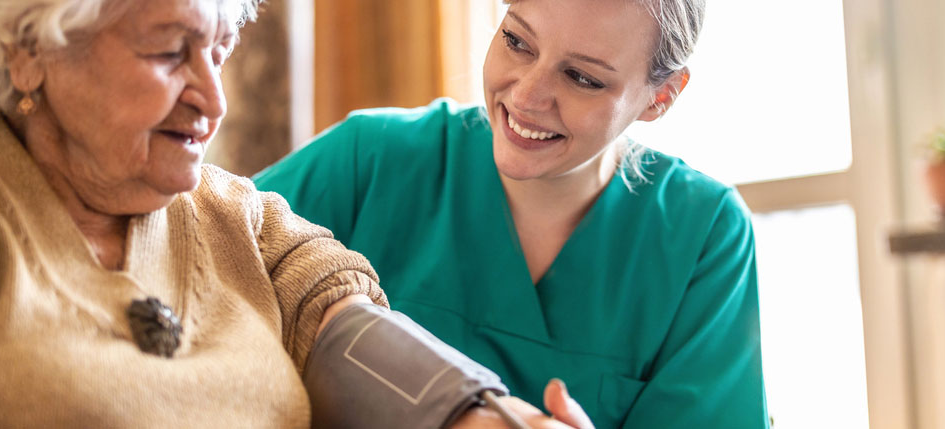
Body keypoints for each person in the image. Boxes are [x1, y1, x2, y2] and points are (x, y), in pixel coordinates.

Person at [0, 0, 575, 427]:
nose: (215, 98)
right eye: (171, 52)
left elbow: (355, 334)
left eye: (220, 52)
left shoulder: (239, 217)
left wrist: (494, 417)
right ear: (29, 49)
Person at [252, 0, 768, 427]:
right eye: (517, 42)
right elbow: (199, 245)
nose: (526, 96)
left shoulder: (704, 239)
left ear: (661, 96)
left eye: (582, 78)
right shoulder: (370, 160)